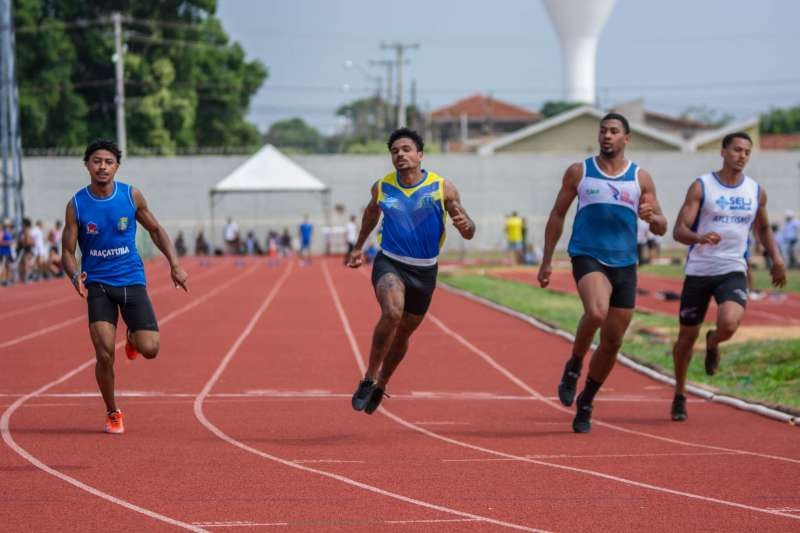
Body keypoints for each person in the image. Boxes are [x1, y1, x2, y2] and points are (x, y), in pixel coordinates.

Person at [537, 113, 667, 434]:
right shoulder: (580, 172)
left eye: (613, 131)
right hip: (587, 254)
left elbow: (662, 225)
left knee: (613, 342)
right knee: (596, 312)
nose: (606, 136)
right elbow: (557, 215)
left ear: (627, 139)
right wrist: (547, 259)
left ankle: (586, 401)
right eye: (603, 131)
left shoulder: (641, 178)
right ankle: (574, 364)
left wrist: (654, 218)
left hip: (625, 262)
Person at [61, 139, 188, 435]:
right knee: (104, 353)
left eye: (108, 161)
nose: (102, 166)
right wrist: (74, 274)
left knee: (150, 349)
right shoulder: (77, 204)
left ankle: (132, 335)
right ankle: (112, 411)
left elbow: (155, 230)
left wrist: (175, 264)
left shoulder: (130, 196)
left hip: (131, 280)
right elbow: (67, 251)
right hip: (98, 286)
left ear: (116, 166)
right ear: (87, 165)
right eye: (96, 161)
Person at [348, 127, 476, 415]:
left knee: (404, 333)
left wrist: (466, 226)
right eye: (395, 151)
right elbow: (371, 215)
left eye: (406, 149)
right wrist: (358, 247)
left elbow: (467, 229)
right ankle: (369, 377)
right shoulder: (382, 186)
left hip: (425, 272)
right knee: (392, 312)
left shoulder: (442, 187)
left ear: (420, 155)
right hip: (391, 261)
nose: (400, 155)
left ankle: (382, 383)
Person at [669, 132, 785, 421]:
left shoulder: (755, 192)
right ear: (723, 152)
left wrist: (777, 259)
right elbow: (678, 230)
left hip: (732, 268)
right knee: (685, 337)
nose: (742, 155)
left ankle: (713, 341)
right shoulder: (702, 187)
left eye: (747, 151)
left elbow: (763, 229)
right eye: (736, 149)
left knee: (730, 322)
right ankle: (680, 393)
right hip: (699, 270)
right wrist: (699, 236)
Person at [0, 219, 14, 286]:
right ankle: (3, 280)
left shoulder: (8, 232)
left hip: (8, 252)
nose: (8, 226)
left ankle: (7, 280)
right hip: (3, 252)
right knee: (3, 267)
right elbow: (0, 242)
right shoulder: (2, 232)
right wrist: (8, 243)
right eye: (7, 225)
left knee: (8, 266)